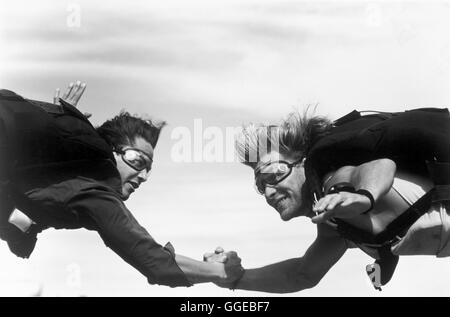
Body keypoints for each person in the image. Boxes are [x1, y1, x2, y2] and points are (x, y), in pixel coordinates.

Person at [0, 81, 243, 288]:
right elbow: (154, 262)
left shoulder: (62, 175)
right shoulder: (97, 190)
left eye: (149, 169)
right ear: (113, 153)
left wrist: (55, 122)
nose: (144, 176)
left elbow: (18, 229)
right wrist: (219, 272)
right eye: (138, 161)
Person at [204, 108, 449, 292]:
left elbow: (378, 166)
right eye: (261, 184)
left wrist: (361, 195)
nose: (268, 191)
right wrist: (233, 277)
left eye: (275, 174)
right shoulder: (334, 226)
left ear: (303, 163)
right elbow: (301, 275)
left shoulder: (333, 182)